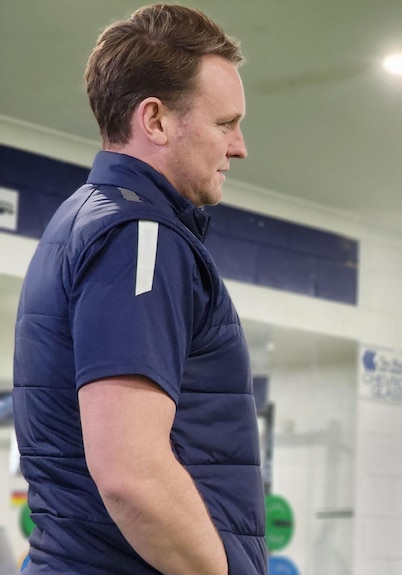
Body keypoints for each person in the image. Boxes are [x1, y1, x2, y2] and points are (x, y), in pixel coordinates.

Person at [13, 4, 266, 573]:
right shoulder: (139, 235)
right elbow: (132, 475)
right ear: (154, 120)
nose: (239, 146)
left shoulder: (87, 217)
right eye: (225, 123)